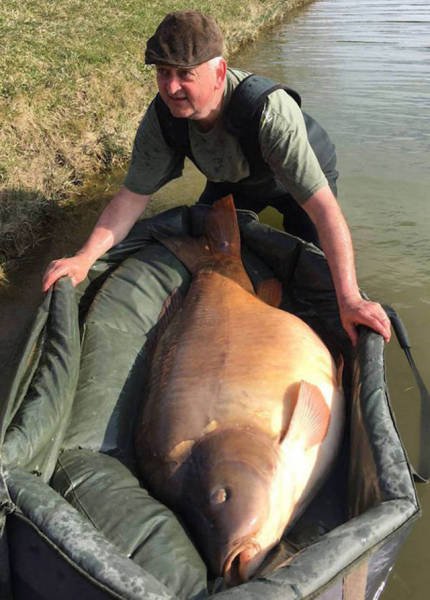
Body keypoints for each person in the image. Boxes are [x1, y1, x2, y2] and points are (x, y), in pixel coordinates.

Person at [42, 10, 391, 345]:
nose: (171, 87)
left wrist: (350, 299)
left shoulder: (269, 115)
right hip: (232, 177)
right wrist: (84, 258)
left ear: (219, 72)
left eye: (185, 74)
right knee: (208, 249)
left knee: (315, 268)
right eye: (163, 72)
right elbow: (131, 198)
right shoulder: (163, 118)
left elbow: (324, 211)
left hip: (292, 178)